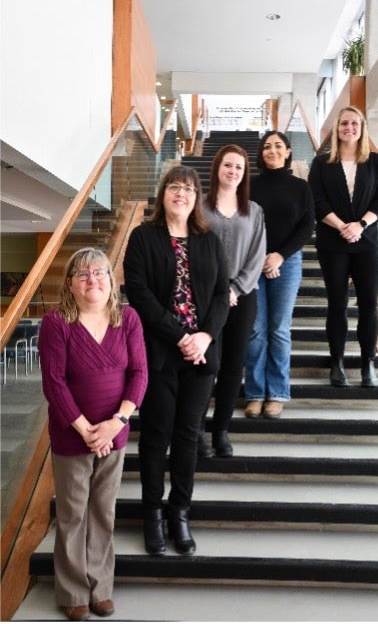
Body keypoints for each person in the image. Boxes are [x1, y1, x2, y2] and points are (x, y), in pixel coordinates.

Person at [123, 165, 229, 556]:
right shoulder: (142, 237)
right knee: (155, 435)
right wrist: (182, 336)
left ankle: (179, 511)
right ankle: (152, 511)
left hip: (201, 355)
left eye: (187, 188)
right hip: (160, 354)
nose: (180, 194)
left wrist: (203, 336)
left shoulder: (209, 240)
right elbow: (139, 295)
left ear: (196, 197)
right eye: (174, 187)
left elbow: (221, 295)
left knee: (187, 437)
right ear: (162, 193)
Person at [38, 248, 148, 622]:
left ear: (110, 279)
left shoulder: (127, 318)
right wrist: (86, 430)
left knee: (103, 512)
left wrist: (117, 422)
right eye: (83, 274)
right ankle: (72, 591)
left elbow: (140, 374)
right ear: (70, 283)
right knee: (72, 515)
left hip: (114, 434)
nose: (92, 280)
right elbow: (54, 383)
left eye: (99, 272)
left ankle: (101, 587)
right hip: (72, 437)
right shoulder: (56, 322)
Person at [308, 106, 378, 387]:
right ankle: (338, 363)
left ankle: (367, 363)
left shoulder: (376, 162)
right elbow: (316, 202)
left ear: (362, 128)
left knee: (368, 305)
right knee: (337, 305)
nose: (349, 128)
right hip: (333, 243)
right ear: (337, 128)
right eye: (344, 123)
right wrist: (342, 226)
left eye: (355, 123)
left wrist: (359, 226)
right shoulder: (321, 164)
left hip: (366, 242)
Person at [199, 144, 266, 457]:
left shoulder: (253, 211)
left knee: (231, 365)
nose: (233, 171)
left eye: (239, 167)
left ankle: (220, 431)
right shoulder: (199, 207)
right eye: (228, 165)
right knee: (205, 364)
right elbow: (191, 251)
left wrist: (235, 289)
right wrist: (214, 290)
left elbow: (257, 256)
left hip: (242, 297)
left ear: (244, 174)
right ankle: (197, 428)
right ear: (217, 168)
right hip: (204, 297)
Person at [244, 131, 315, 419]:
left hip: (287, 262)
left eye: (278, 146)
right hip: (253, 263)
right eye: (267, 147)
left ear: (287, 152)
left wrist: (279, 256)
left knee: (279, 328)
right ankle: (255, 392)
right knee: (256, 329)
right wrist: (259, 256)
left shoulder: (301, 187)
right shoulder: (248, 185)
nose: (272, 150)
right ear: (261, 154)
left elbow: (306, 225)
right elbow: (242, 223)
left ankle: (277, 393)